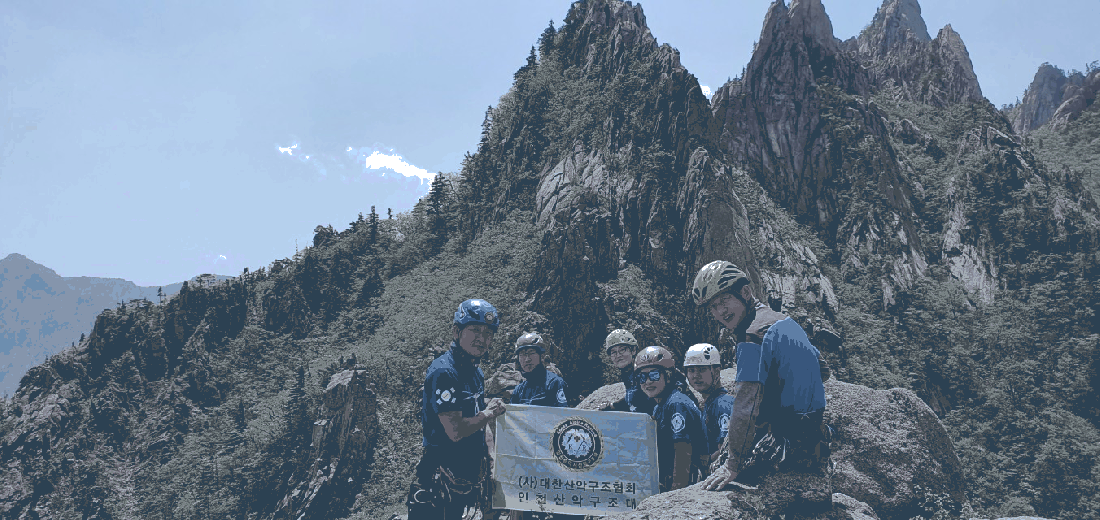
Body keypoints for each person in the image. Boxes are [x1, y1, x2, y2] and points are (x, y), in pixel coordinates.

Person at [696, 261, 832, 514]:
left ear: (745, 292)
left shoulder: (751, 336)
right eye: (713, 307)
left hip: (787, 446)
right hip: (815, 437)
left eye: (724, 301)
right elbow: (823, 370)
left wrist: (732, 466)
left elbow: (745, 406)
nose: (719, 311)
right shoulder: (784, 321)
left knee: (715, 470)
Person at [407, 298, 508, 520]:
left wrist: (492, 458)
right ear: (456, 331)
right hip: (441, 477)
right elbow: (455, 431)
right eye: (475, 330)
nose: (482, 339)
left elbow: (480, 419)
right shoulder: (445, 372)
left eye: (488, 333)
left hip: (468, 475)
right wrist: (490, 413)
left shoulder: (475, 372)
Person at [634, 346, 708, 492]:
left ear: (668, 375)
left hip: (689, 484)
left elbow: (683, 454)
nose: (647, 382)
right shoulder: (660, 405)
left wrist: (674, 494)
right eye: (642, 377)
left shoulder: (677, 404)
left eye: (654, 375)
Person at [684, 343, 736, 471]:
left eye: (702, 369)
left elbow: (727, 449)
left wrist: (704, 465)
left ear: (716, 371)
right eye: (691, 370)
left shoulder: (723, 404)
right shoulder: (711, 403)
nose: (696, 375)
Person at [510, 332, 569, 407]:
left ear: (542, 356)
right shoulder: (519, 390)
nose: (527, 359)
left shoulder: (555, 383)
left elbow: (564, 412)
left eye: (531, 353)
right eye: (522, 355)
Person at [604, 329, 654, 414]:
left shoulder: (644, 371)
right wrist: (613, 406)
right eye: (613, 352)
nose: (618, 355)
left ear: (633, 350)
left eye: (622, 350)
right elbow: (632, 399)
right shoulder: (628, 373)